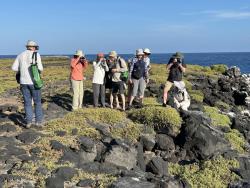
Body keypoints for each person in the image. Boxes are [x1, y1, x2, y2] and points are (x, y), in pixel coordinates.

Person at [12, 40, 43, 128]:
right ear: (34, 47)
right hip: (34, 82)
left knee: (27, 103)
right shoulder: (36, 54)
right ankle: (38, 122)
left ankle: (29, 122)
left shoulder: (20, 55)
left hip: (23, 82)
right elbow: (40, 69)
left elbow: (14, 68)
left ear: (27, 47)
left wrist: (22, 69)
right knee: (37, 102)